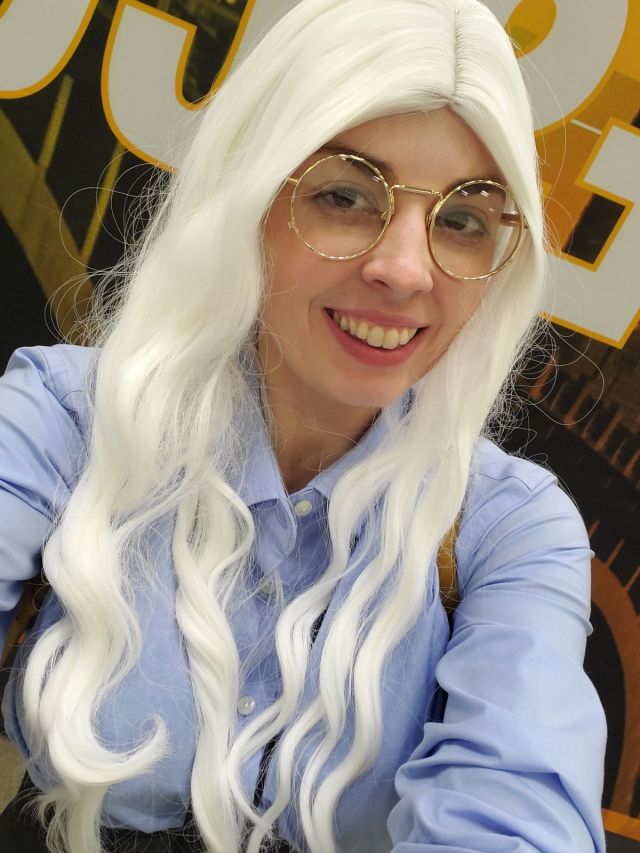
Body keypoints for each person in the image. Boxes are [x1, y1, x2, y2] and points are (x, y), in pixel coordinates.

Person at [0, 0, 607, 851]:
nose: (404, 269)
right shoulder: (62, 420)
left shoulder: (510, 531)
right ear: (248, 196)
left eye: (464, 220)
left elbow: (516, 806)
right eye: (347, 195)